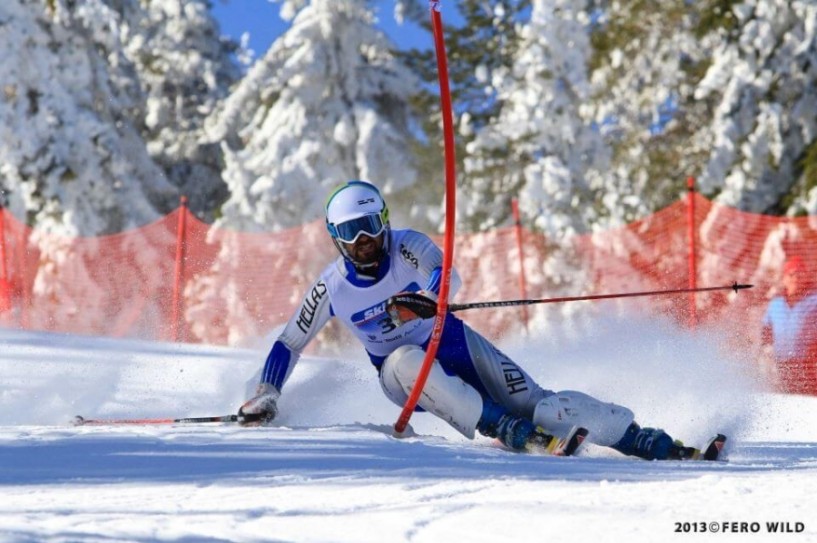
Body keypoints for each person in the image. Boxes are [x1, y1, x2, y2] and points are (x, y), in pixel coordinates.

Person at [239, 180, 716, 460]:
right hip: (403, 376)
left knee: (542, 405)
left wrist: (429, 298)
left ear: (384, 221)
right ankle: (504, 430)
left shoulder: (406, 244)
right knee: (405, 357)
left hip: (453, 343)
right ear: (335, 238)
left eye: (369, 226)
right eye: (350, 232)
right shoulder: (331, 286)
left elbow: (445, 272)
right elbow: (289, 343)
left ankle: (648, 441)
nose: (364, 239)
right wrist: (266, 394)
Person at [761, 255, 817, 395]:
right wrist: (766, 349)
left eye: (799, 274)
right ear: (784, 278)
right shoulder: (775, 304)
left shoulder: (814, 300)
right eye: (791, 274)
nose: (795, 278)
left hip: (807, 367)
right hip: (781, 366)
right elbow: (766, 329)